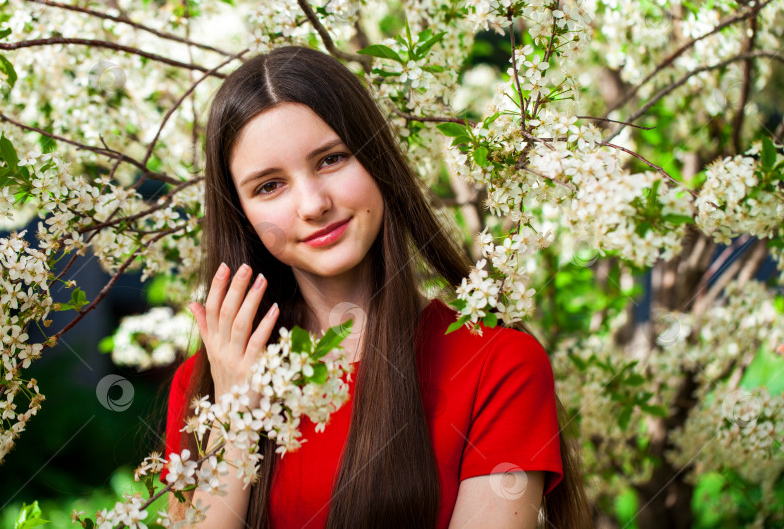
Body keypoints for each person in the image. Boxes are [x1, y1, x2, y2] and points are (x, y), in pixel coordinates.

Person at [161, 45, 591, 528]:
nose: (312, 204)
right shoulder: (205, 386)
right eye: (269, 186)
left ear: (376, 159)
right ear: (242, 216)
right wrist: (235, 416)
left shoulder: (497, 366)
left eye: (331, 159)